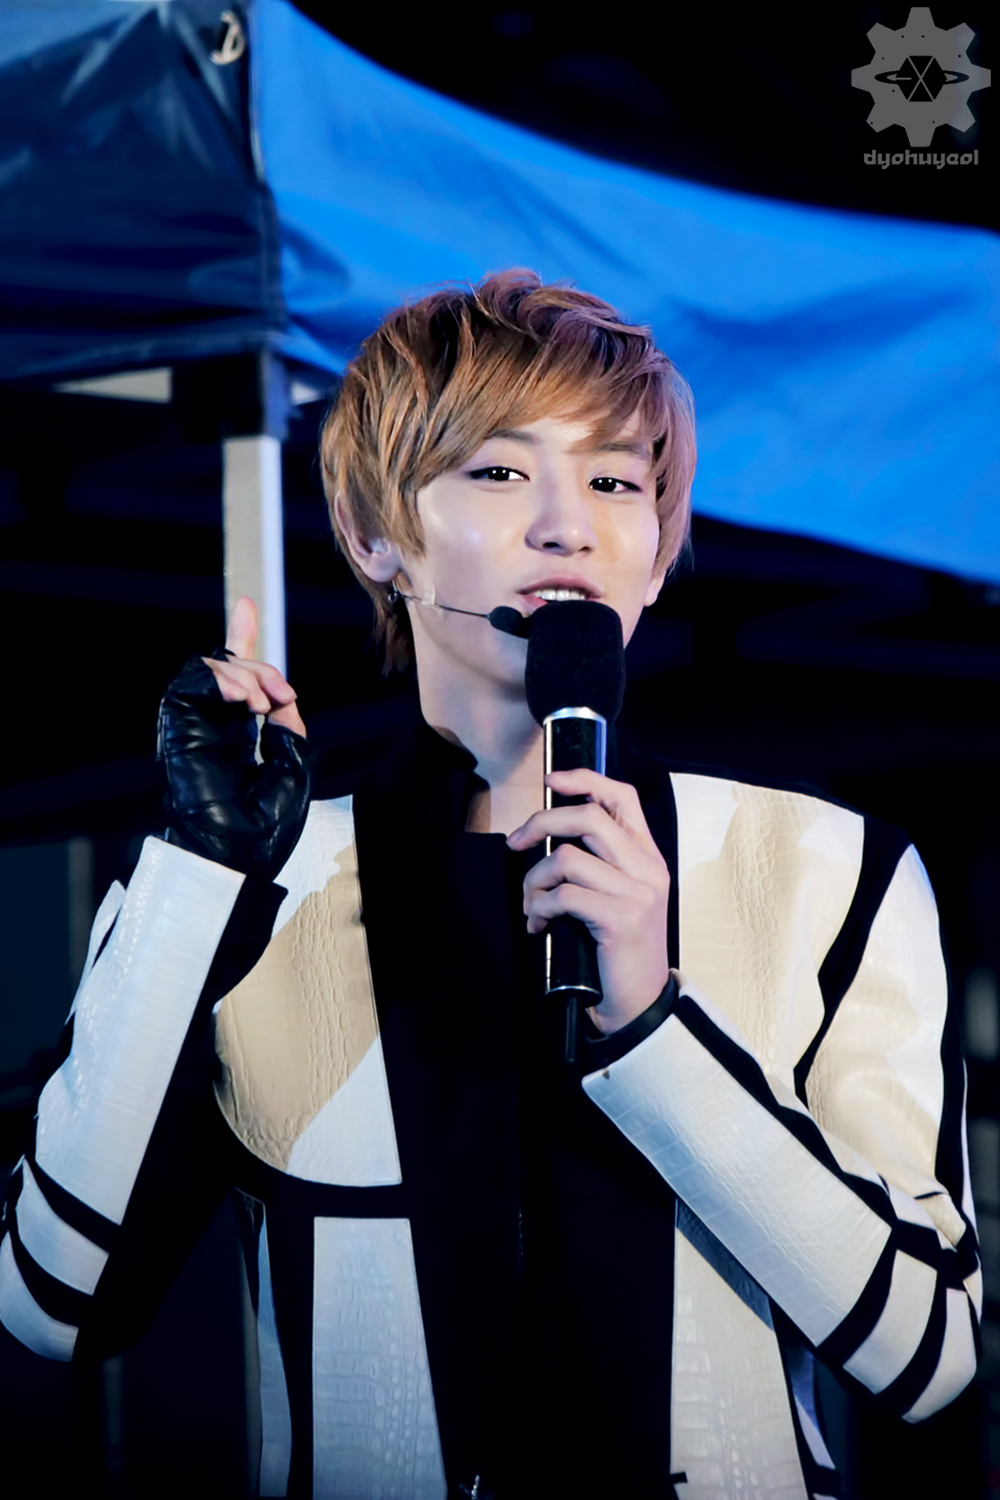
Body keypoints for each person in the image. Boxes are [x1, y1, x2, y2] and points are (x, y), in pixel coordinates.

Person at [0, 271, 980, 1499]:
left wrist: (654, 1023)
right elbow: (54, 1302)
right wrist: (198, 876)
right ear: (374, 534)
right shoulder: (246, 886)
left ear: (658, 556)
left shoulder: (829, 869)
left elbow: (929, 1355)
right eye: (501, 472)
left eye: (615, 483)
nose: (568, 527)